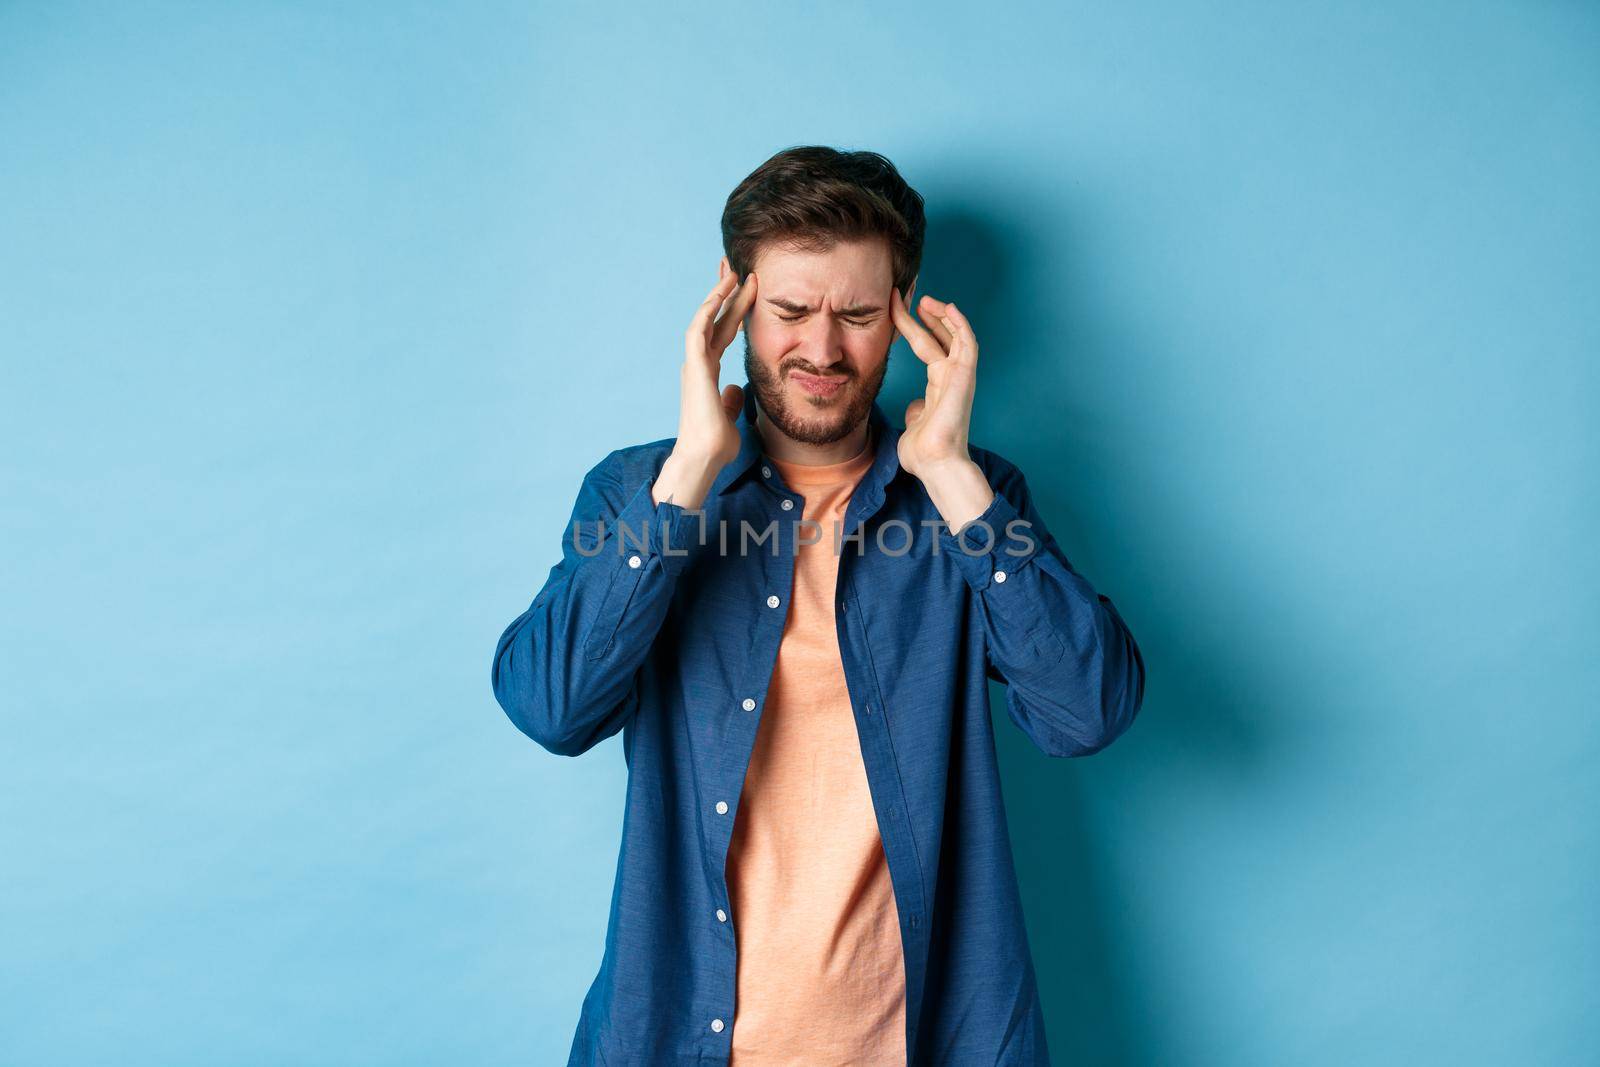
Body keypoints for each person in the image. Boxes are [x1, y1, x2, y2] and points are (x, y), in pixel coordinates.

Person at [491, 145, 1145, 1066]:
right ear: (734, 303)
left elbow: (1088, 711)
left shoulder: (972, 504)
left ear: (905, 315)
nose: (823, 348)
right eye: (791, 310)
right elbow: (549, 707)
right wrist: (687, 475)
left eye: (859, 314)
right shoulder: (640, 494)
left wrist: (955, 479)